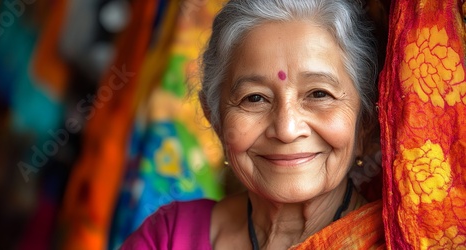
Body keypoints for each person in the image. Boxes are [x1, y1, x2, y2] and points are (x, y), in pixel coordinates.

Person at [121, 0, 384, 249]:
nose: (286, 129)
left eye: (319, 94)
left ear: (365, 123)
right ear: (215, 118)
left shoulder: (399, 241)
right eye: (254, 98)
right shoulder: (169, 236)